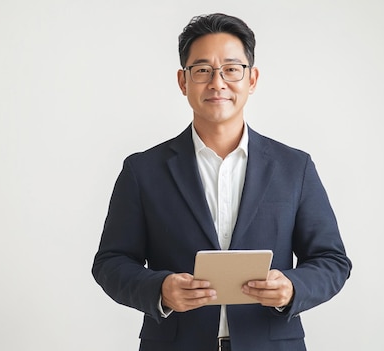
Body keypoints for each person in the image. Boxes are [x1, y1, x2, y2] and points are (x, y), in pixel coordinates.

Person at [92, 13, 351, 351]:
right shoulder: (143, 170)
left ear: (252, 79)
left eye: (231, 69)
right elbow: (110, 263)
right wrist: (160, 289)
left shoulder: (294, 167)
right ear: (183, 81)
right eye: (202, 70)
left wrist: (291, 287)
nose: (217, 83)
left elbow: (332, 260)